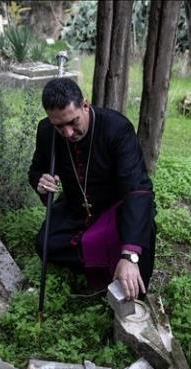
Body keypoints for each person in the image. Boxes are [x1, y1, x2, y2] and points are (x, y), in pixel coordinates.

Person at [28, 78, 156, 301]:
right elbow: (36, 169)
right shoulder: (47, 131)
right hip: (76, 208)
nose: (67, 133)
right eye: (59, 125)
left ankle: (122, 271)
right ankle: (99, 267)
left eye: (73, 122)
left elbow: (137, 189)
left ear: (85, 105)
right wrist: (41, 182)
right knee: (45, 243)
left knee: (139, 243)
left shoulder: (117, 128)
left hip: (115, 209)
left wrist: (129, 255)